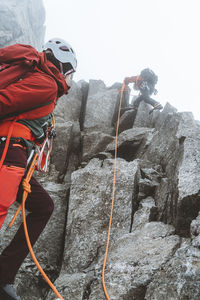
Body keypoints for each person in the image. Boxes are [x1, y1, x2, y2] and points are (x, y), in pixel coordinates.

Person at [0, 37, 77, 300]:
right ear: (63, 64)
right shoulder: (46, 83)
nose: (70, 78)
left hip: (16, 153)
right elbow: (4, 101)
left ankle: (3, 274)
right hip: (9, 150)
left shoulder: (44, 82)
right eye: (70, 72)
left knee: (43, 206)